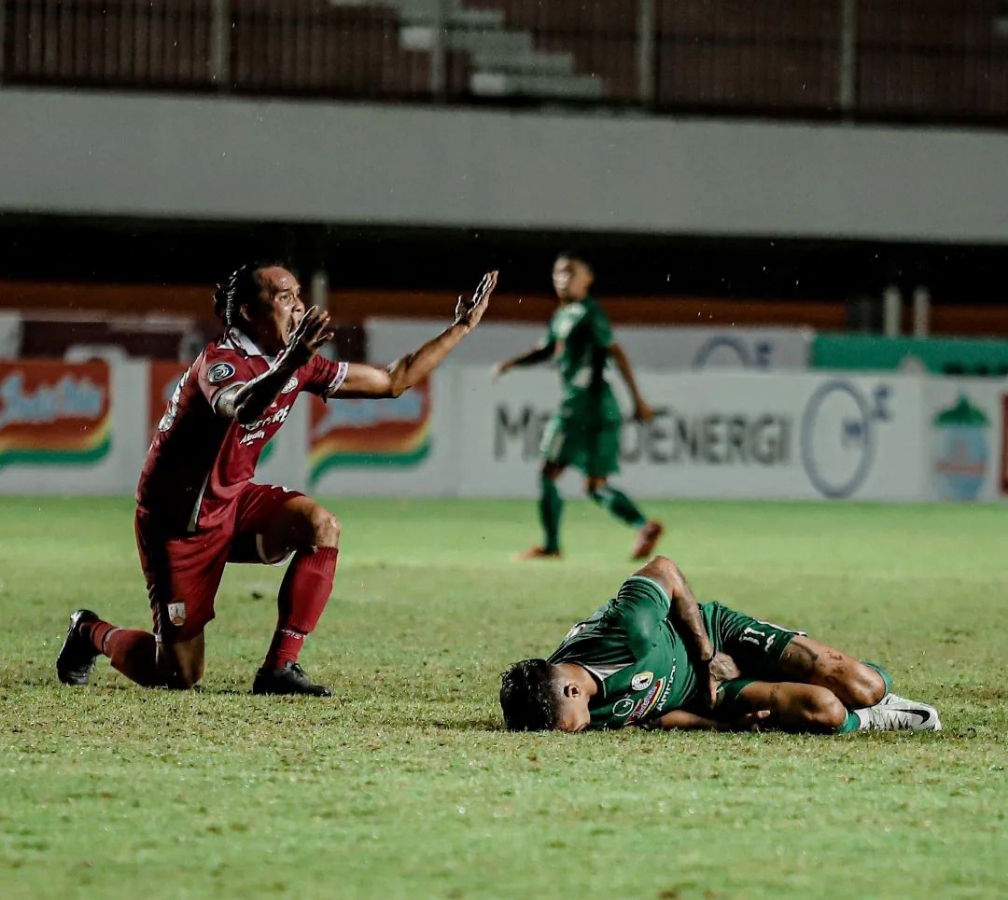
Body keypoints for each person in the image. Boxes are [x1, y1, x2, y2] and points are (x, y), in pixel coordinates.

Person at [56, 263, 498, 696]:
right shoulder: (221, 363)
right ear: (249, 312)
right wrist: (290, 364)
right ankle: (90, 632)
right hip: (178, 525)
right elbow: (243, 406)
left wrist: (461, 328)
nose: (299, 306)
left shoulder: (294, 361)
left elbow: (393, 380)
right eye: (284, 297)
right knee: (178, 674)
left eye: (298, 296)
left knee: (319, 525)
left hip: (231, 502)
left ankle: (279, 669)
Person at [499, 555, 942, 733]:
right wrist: (720, 726)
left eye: (567, 728)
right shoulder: (569, 703)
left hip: (719, 637)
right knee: (826, 710)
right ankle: (871, 722)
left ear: (571, 691)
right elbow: (652, 712)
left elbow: (665, 569)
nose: (574, 735)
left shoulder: (626, 627)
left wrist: (709, 655)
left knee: (863, 685)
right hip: (708, 697)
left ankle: (878, 701)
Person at [493, 251, 662, 561]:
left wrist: (638, 399)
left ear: (588, 280)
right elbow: (545, 349)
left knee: (548, 471)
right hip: (598, 409)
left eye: (571, 273)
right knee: (596, 487)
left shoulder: (589, 313)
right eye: (558, 273)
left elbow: (615, 352)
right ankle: (644, 525)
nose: (563, 279)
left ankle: (552, 545)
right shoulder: (562, 315)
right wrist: (510, 363)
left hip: (581, 409)